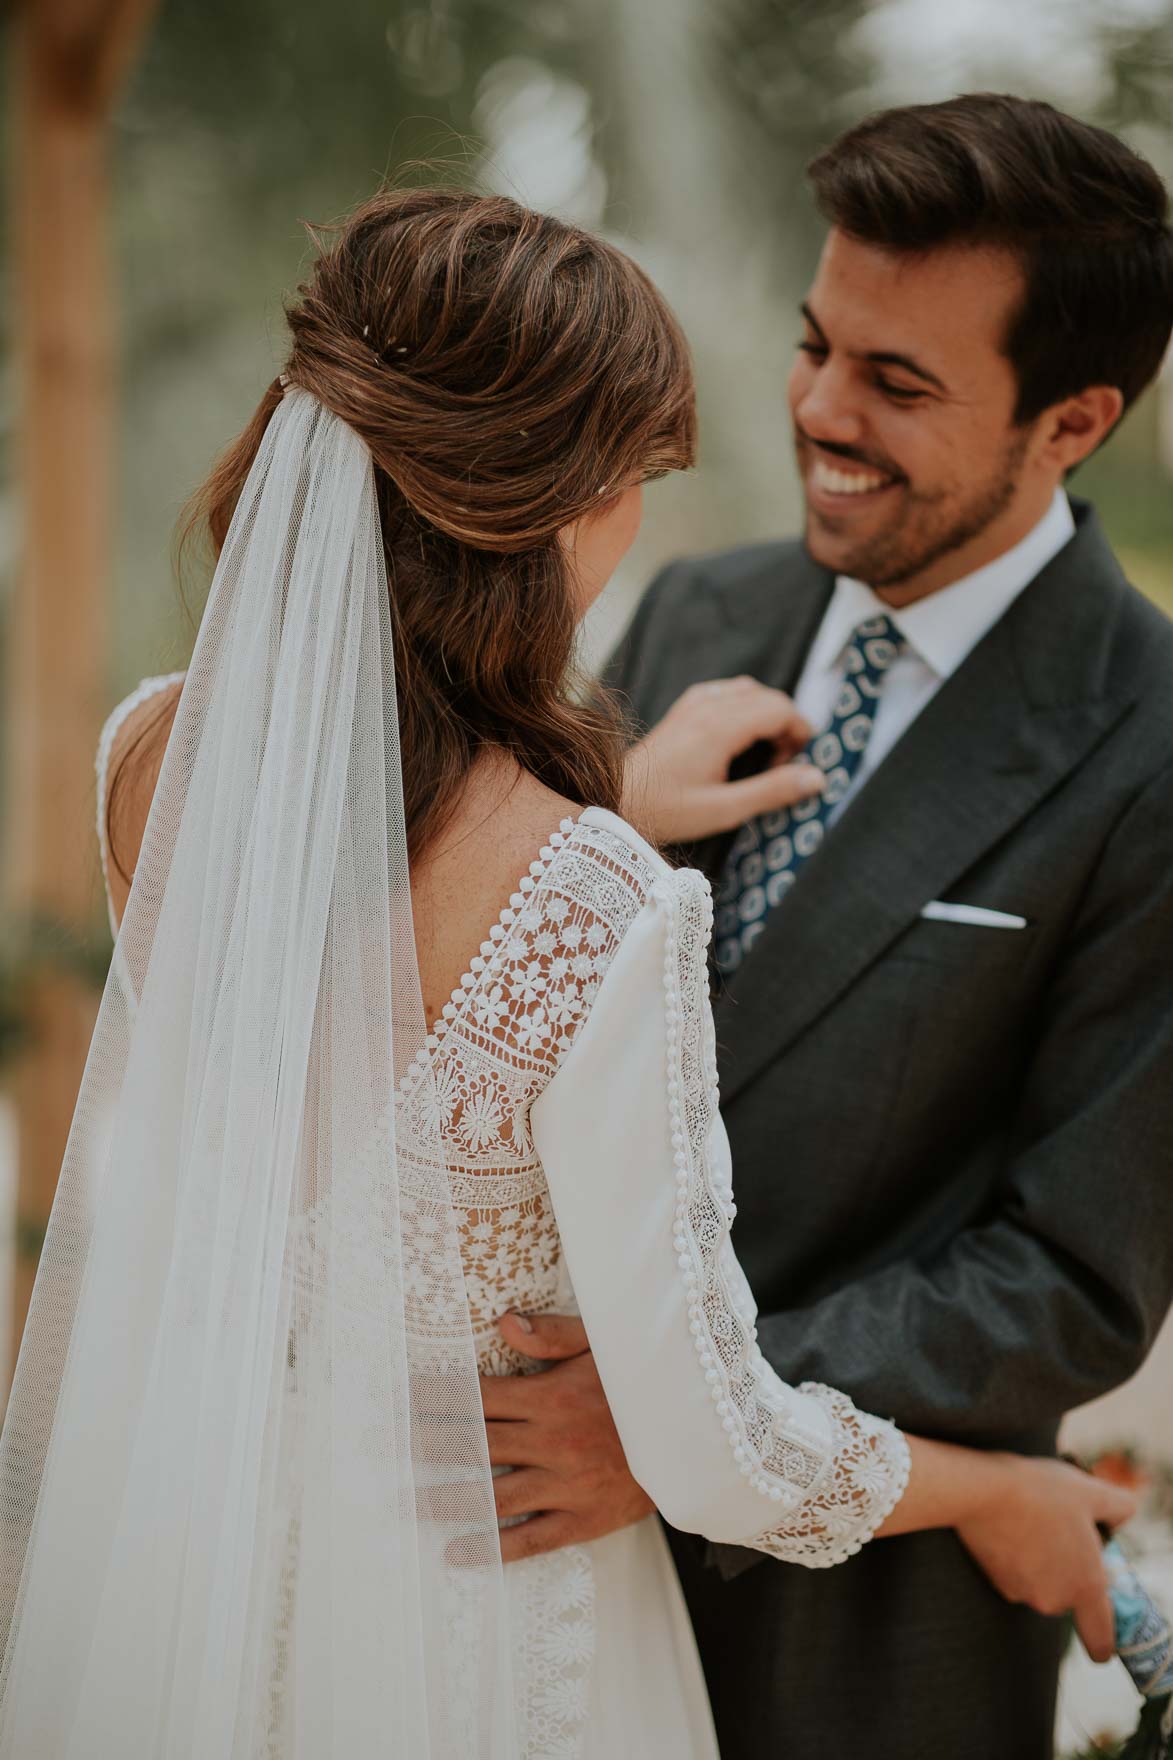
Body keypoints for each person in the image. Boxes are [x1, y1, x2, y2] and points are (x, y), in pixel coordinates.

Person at [0, 187, 1134, 1759]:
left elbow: (351, 945)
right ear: (548, 506)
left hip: (205, 1565)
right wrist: (1006, 1490)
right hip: (487, 1636)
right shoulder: (600, 902)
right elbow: (718, 1451)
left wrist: (600, 809)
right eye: (632, 485)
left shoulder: (150, 760)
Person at [479, 94, 1173, 1760]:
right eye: (814, 346)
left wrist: (669, 1411)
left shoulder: (1149, 748)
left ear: (1070, 421)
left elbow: (1064, 1282)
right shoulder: (705, 602)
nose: (814, 412)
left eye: (896, 384)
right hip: (520, 1587)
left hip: (862, 1637)